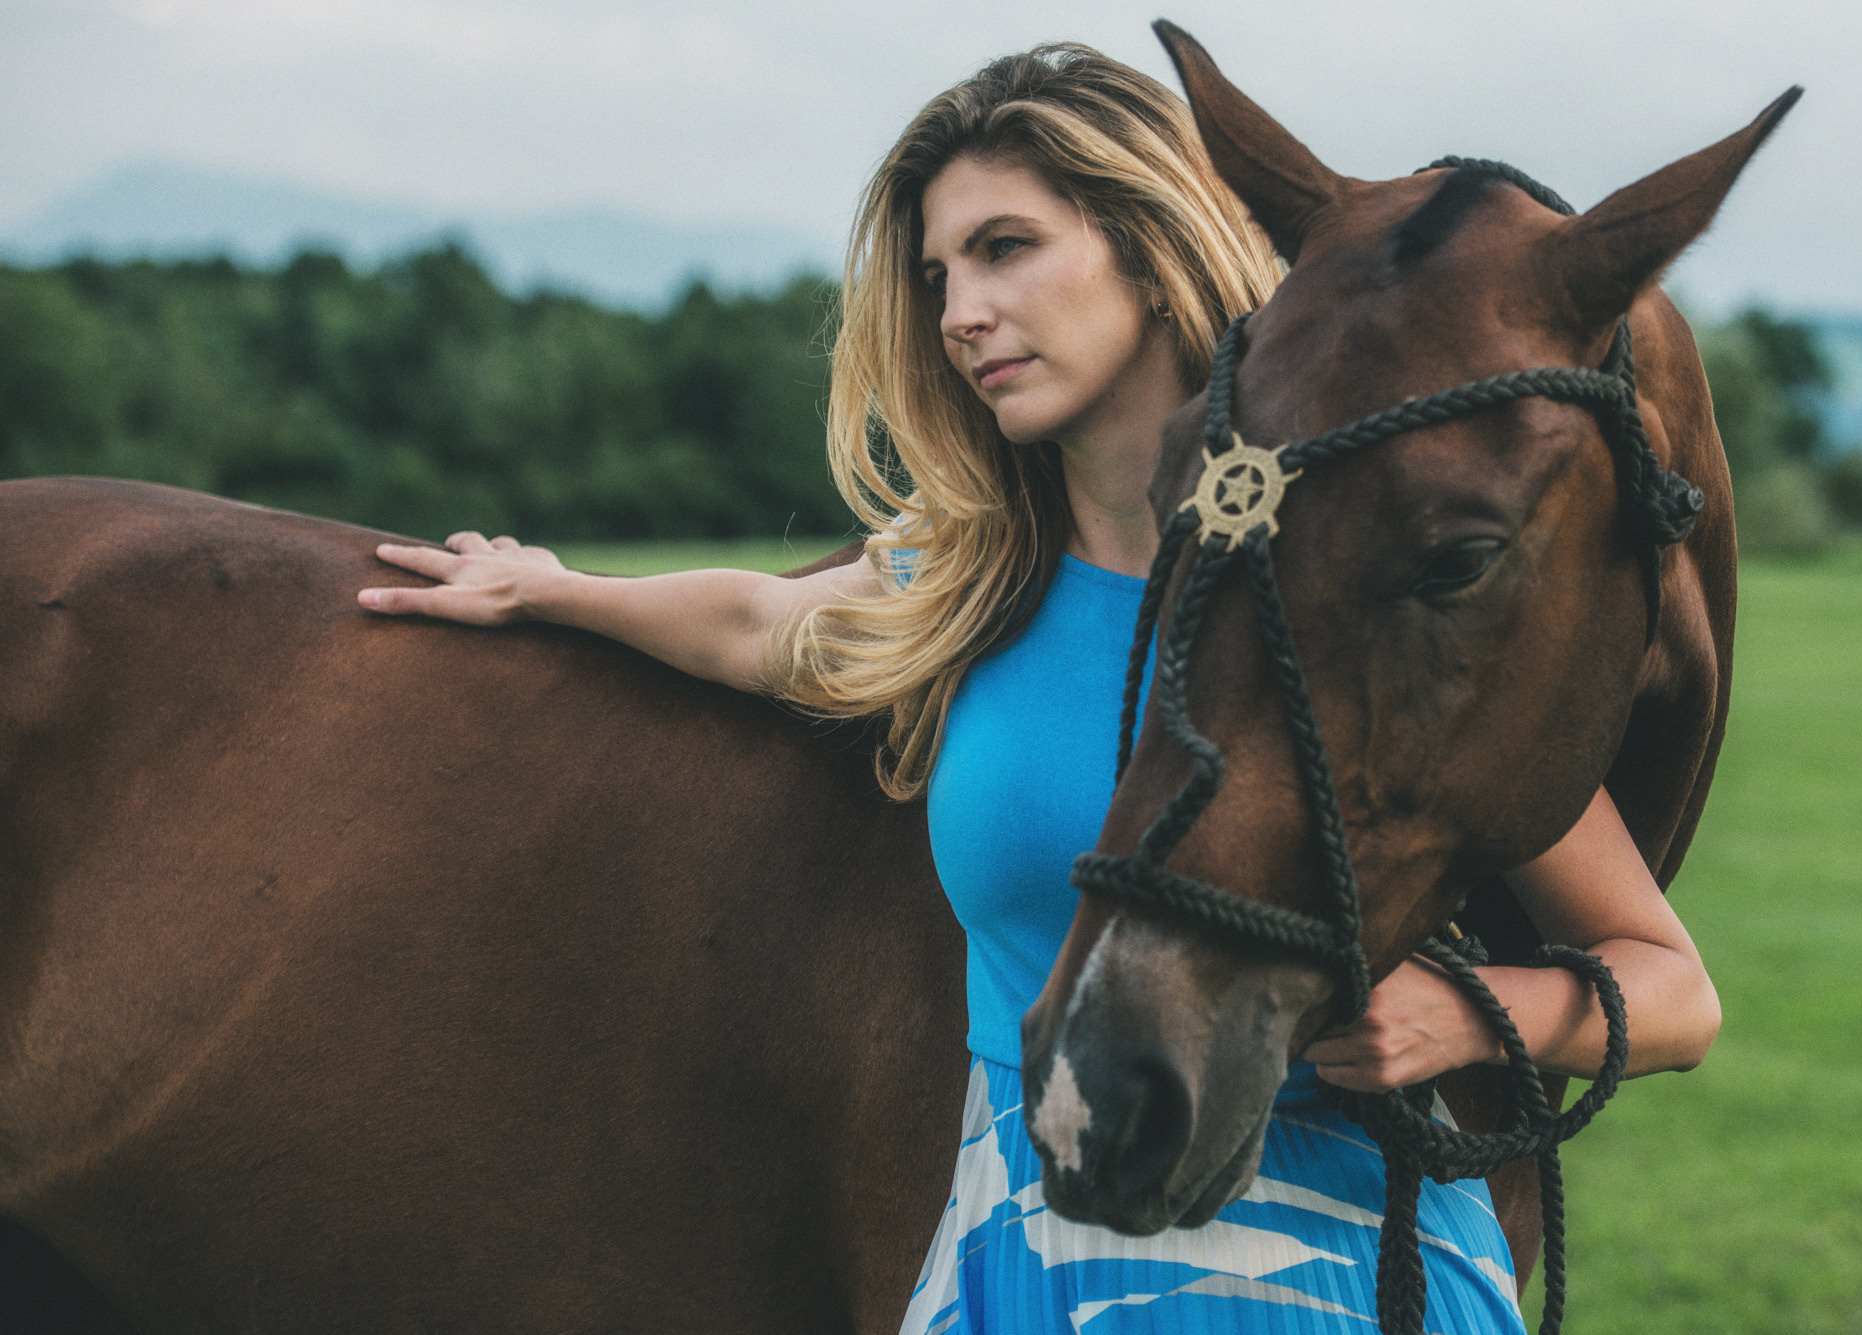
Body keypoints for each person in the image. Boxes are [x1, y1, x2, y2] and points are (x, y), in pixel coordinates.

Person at [358, 43, 1720, 1335]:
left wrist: (1478, 1013)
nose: (960, 312)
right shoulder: (971, 583)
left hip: (1329, 1262)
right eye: (938, 272)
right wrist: (551, 590)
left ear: (1149, 244)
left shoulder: (1329, 606)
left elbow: (1670, 988)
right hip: (1020, 1247)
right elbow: (758, 622)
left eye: (1005, 248)